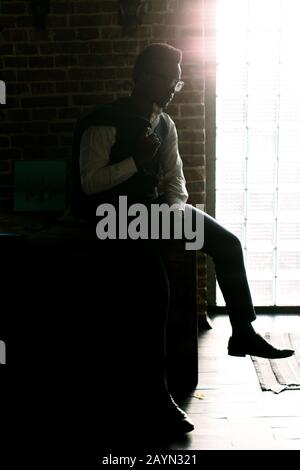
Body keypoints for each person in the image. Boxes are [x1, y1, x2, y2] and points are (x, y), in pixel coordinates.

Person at [70, 43, 294, 438]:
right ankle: (156, 397)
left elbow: (175, 181)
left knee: (228, 243)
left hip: (153, 213)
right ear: (145, 77)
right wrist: (137, 162)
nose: (176, 85)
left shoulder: (165, 124)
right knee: (156, 293)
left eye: (178, 77)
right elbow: (90, 184)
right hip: (112, 217)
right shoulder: (103, 121)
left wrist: (172, 213)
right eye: (170, 76)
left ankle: (242, 332)